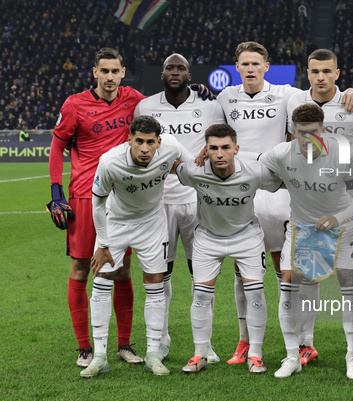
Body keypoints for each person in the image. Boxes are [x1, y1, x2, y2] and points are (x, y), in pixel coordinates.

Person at [217, 41, 353, 365]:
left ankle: (304, 342)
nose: (251, 69)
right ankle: (245, 341)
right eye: (245, 64)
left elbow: (320, 94)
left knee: (297, 272)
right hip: (244, 194)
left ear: (267, 66)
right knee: (243, 272)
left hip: (281, 193)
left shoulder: (287, 95)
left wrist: (350, 90)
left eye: (257, 63)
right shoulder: (224, 98)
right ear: (236, 67)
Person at [48, 47, 145, 367]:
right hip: (84, 196)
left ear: (122, 72)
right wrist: (56, 192)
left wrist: (196, 93)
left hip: (121, 199)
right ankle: (84, 347)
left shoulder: (133, 99)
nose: (109, 77)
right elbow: (57, 144)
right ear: (94, 73)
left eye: (115, 71)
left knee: (120, 271)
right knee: (80, 269)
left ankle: (124, 345)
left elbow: (164, 109)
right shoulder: (75, 104)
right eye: (104, 71)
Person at [259, 104, 353, 379]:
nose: (307, 140)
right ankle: (292, 356)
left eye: (313, 133)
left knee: (350, 289)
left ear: (324, 130)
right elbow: (254, 168)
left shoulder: (344, 155)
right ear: (292, 132)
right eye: (301, 134)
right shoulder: (281, 154)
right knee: (288, 283)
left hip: (345, 227)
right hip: (303, 228)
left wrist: (337, 217)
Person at [80, 115, 194, 378]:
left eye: (150, 142)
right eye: (139, 141)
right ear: (129, 139)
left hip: (153, 222)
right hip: (116, 223)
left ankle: (153, 353)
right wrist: (103, 244)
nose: (144, 148)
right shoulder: (109, 161)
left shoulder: (172, 147)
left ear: (159, 142)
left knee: (155, 282)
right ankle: (99, 356)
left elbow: (194, 164)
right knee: (101, 282)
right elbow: (97, 204)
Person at [134, 53, 226, 364]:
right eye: (170, 68)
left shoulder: (210, 105)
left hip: (196, 199)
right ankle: (161, 338)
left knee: (201, 271)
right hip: (158, 202)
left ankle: (206, 343)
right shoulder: (146, 107)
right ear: (162, 74)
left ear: (190, 74)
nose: (176, 72)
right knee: (162, 271)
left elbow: (218, 143)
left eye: (181, 68)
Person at [173, 124, 283, 375]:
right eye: (213, 148)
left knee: (255, 293)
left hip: (247, 236)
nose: (220, 154)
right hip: (207, 238)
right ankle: (199, 354)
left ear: (236, 149)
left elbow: (285, 182)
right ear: (206, 149)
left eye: (225, 148)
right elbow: (169, 165)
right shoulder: (193, 170)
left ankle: (255, 354)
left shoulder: (255, 172)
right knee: (201, 295)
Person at [286, 48, 353, 367]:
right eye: (314, 71)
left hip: (347, 205)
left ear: (337, 73)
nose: (320, 77)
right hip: (309, 206)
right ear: (307, 73)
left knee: (351, 279)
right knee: (308, 277)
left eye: (327, 71)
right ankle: (306, 343)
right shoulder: (292, 102)